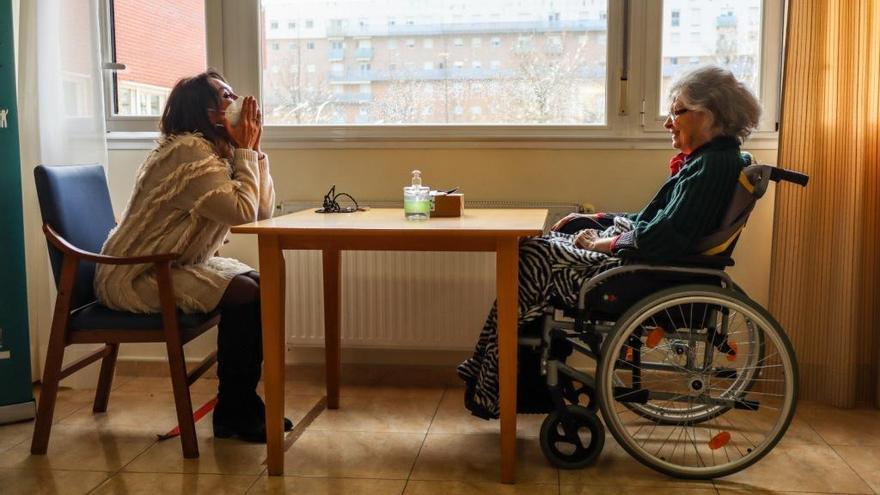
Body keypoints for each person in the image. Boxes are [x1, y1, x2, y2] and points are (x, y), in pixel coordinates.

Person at [457, 65, 762, 419]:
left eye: (676, 111)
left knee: (529, 255)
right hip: (646, 266)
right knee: (540, 244)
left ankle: (502, 379)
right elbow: (657, 223)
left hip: (645, 275)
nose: (667, 122)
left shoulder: (710, 168)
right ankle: (516, 377)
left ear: (710, 116)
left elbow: (658, 238)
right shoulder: (711, 161)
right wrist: (599, 221)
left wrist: (600, 244)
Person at [94, 70, 292, 442]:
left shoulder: (218, 152)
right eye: (227, 96)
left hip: (173, 263)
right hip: (134, 275)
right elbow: (241, 212)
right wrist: (247, 150)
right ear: (209, 114)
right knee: (248, 293)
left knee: (256, 285)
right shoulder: (187, 152)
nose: (240, 102)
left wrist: (254, 148)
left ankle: (239, 405)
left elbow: (262, 211)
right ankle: (234, 410)